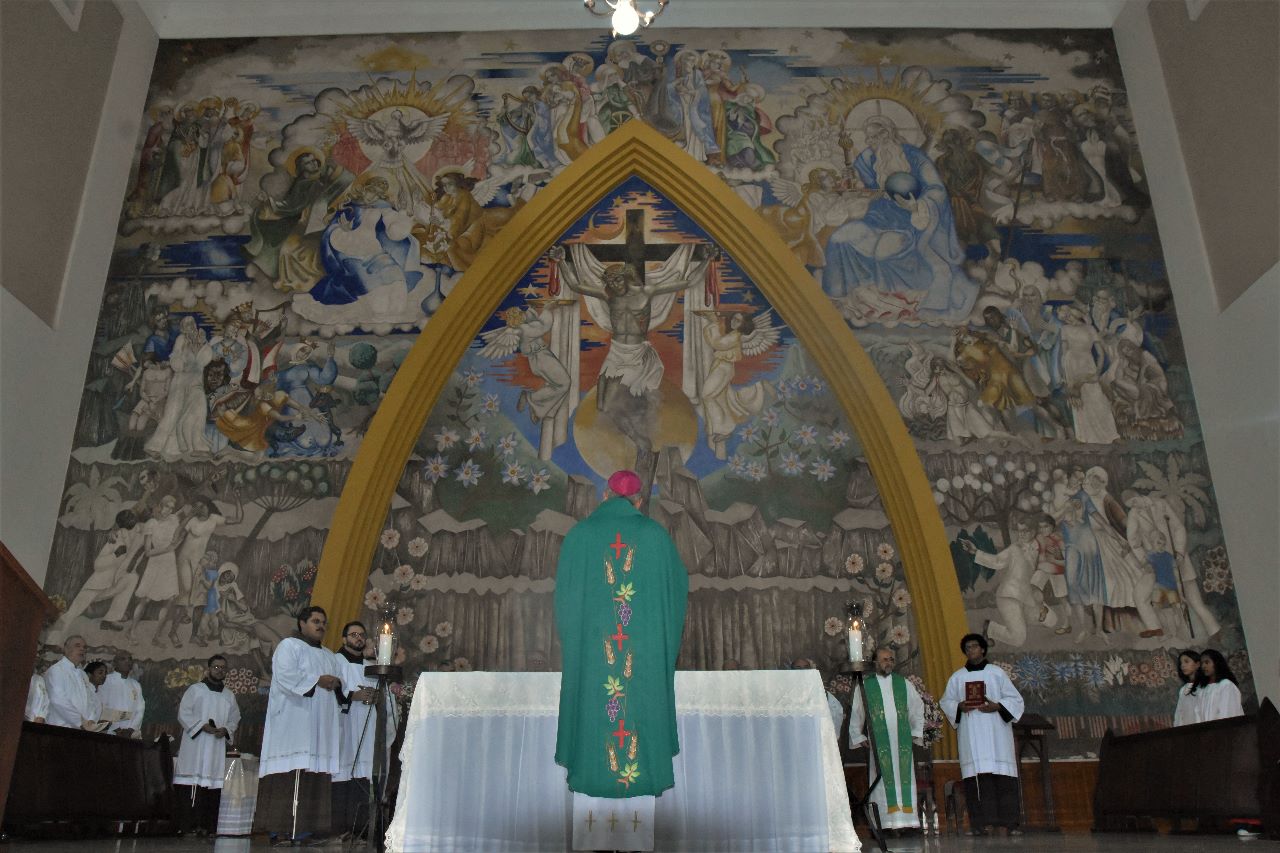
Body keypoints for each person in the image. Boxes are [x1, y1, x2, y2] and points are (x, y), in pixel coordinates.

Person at [554, 469, 689, 853]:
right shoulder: (655, 537)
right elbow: (676, 593)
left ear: (604, 494)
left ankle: (590, 841)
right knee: (636, 734)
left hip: (593, 665)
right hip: (641, 668)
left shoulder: (579, 537)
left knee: (596, 730)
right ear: (640, 501)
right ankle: (635, 843)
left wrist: (582, 645)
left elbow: (563, 604)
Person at [255, 606, 344, 846]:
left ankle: (308, 829)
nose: (321, 625)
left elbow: (338, 688)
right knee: (290, 773)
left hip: (319, 726)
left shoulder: (329, 655)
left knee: (313, 772)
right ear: (302, 624)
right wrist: (317, 681)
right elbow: (285, 677)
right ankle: (281, 830)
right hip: (293, 723)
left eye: (324, 622)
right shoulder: (289, 647)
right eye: (316, 621)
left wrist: (336, 684)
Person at [940, 634, 1025, 837]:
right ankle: (980, 824)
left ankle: (1010, 824)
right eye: (967, 647)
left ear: (983, 649)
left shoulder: (997, 674)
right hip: (972, 736)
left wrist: (997, 706)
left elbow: (1015, 700)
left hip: (997, 735)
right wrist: (959, 706)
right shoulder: (957, 677)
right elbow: (946, 702)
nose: (971, 650)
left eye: (975, 646)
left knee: (1002, 779)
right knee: (977, 781)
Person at [848, 647, 925, 830]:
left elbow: (917, 707)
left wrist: (916, 731)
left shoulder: (903, 683)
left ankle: (908, 823)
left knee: (903, 778)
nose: (888, 662)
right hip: (879, 743)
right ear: (875, 662)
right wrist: (858, 735)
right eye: (884, 659)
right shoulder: (866, 685)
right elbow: (855, 711)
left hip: (902, 741)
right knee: (881, 780)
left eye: (891, 659)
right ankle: (884, 823)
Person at [331, 621, 388, 842]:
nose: (358, 638)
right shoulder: (335, 661)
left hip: (366, 721)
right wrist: (351, 696)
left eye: (362, 635)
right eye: (353, 634)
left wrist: (376, 698)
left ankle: (361, 829)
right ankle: (339, 829)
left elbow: (379, 694)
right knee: (342, 772)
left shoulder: (370, 666)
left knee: (363, 774)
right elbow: (332, 691)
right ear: (344, 639)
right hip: (344, 722)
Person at [961, 517, 1058, 647]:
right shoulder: (1014, 549)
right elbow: (996, 561)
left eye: (1025, 531)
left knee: (1052, 620)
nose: (1022, 534)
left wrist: (1037, 590)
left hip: (1028, 596)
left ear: (1034, 531)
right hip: (1008, 596)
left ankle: (1034, 614)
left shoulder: (1041, 547)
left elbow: (1046, 569)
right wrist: (975, 552)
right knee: (1018, 639)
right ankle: (991, 629)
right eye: (1020, 531)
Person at [174, 655, 241, 836]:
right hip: (195, 744)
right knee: (191, 784)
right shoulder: (195, 690)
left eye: (223, 668)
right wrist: (201, 726)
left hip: (216, 746)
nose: (220, 670)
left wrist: (225, 730)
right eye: (216, 667)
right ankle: (187, 826)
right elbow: (184, 713)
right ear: (208, 669)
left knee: (212, 786)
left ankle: (208, 827)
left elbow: (235, 718)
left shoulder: (229, 695)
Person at [45, 636, 99, 730]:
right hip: (59, 728)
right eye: (77, 646)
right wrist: (80, 722)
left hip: (83, 728)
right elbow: (58, 699)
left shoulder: (83, 674)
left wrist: (91, 720)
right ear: (66, 649)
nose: (82, 649)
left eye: (84, 647)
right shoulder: (56, 670)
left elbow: (90, 700)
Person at [99, 649, 145, 738]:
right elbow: (100, 708)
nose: (127, 661)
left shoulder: (136, 685)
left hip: (131, 734)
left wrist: (131, 729)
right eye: (123, 659)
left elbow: (140, 709)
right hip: (110, 732)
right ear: (114, 663)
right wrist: (116, 729)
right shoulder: (106, 681)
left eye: (129, 659)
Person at [1196, 649, 1244, 723]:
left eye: (1207, 662)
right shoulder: (1202, 689)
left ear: (1216, 663)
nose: (1203, 666)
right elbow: (1198, 714)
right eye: (1202, 663)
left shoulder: (1226, 685)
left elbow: (1228, 713)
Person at [1172, 650, 1204, 727]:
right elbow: (1179, 714)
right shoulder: (1183, 689)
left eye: (1186, 661)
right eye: (1181, 663)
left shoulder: (1203, 687)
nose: (1182, 665)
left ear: (1197, 664)